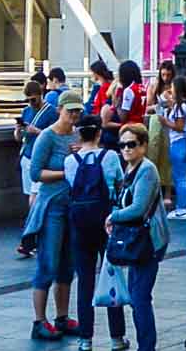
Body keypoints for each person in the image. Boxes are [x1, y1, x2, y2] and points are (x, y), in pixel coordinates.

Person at [65, 118, 126, 351]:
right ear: (99, 133)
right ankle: (117, 338)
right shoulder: (110, 157)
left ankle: (85, 339)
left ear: (79, 134)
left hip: (80, 225)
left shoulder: (70, 161)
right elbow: (120, 184)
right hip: (106, 222)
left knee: (85, 282)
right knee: (112, 276)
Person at [109, 122, 168, 351]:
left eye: (131, 144)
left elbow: (138, 208)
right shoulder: (130, 168)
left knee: (140, 297)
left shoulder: (146, 170)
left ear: (143, 145)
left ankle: (147, 346)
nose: (126, 149)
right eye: (122, 145)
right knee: (136, 296)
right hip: (138, 240)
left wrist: (113, 217)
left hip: (149, 241)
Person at [27, 99, 83, 340]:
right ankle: (39, 320)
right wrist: (66, 172)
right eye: (71, 110)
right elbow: (35, 172)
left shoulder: (78, 135)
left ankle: (62, 316)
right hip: (51, 206)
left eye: (78, 111)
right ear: (60, 109)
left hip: (73, 206)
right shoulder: (47, 137)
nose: (74, 115)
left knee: (67, 265)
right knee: (48, 263)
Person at [17, 79, 58, 257]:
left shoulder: (51, 112)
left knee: (35, 196)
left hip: (40, 159)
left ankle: (30, 234)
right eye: (28, 100)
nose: (31, 103)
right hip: (26, 156)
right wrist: (19, 130)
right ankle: (32, 232)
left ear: (41, 95)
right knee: (30, 195)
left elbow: (55, 134)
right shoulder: (26, 111)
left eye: (33, 99)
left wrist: (36, 131)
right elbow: (18, 138)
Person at [164, 76, 186, 219]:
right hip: (180, 143)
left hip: (179, 142)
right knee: (181, 176)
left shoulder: (181, 107)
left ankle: (181, 208)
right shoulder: (183, 105)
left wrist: (165, 121)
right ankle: (183, 206)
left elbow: (179, 127)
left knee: (180, 177)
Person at [103, 61, 149, 152]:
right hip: (141, 125)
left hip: (130, 127)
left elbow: (123, 117)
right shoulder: (142, 87)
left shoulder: (128, 90)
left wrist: (116, 103)